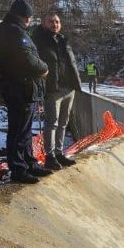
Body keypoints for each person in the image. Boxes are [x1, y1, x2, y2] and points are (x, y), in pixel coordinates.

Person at [0, 0, 52, 184]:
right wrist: (44, 67)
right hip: (20, 88)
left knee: (24, 130)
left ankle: (29, 162)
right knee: (19, 130)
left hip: (22, 88)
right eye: (28, 17)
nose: (29, 20)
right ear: (23, 16)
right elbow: (27, 59)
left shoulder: (9, 30)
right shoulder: (13, 32)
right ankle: (19, 169)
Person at [32, 12, 81, 170]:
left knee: (63, 123)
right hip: (53, 89)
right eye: (51, 21)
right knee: (51, 123)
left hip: (69, 88)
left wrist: (76, 83)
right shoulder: (39, 41)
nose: (55, 24)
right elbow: (35, 65)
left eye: (57, 21)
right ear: (44, 23)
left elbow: (71, 63)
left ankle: (59, 153)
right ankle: (50, 156)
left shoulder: (63, 40)